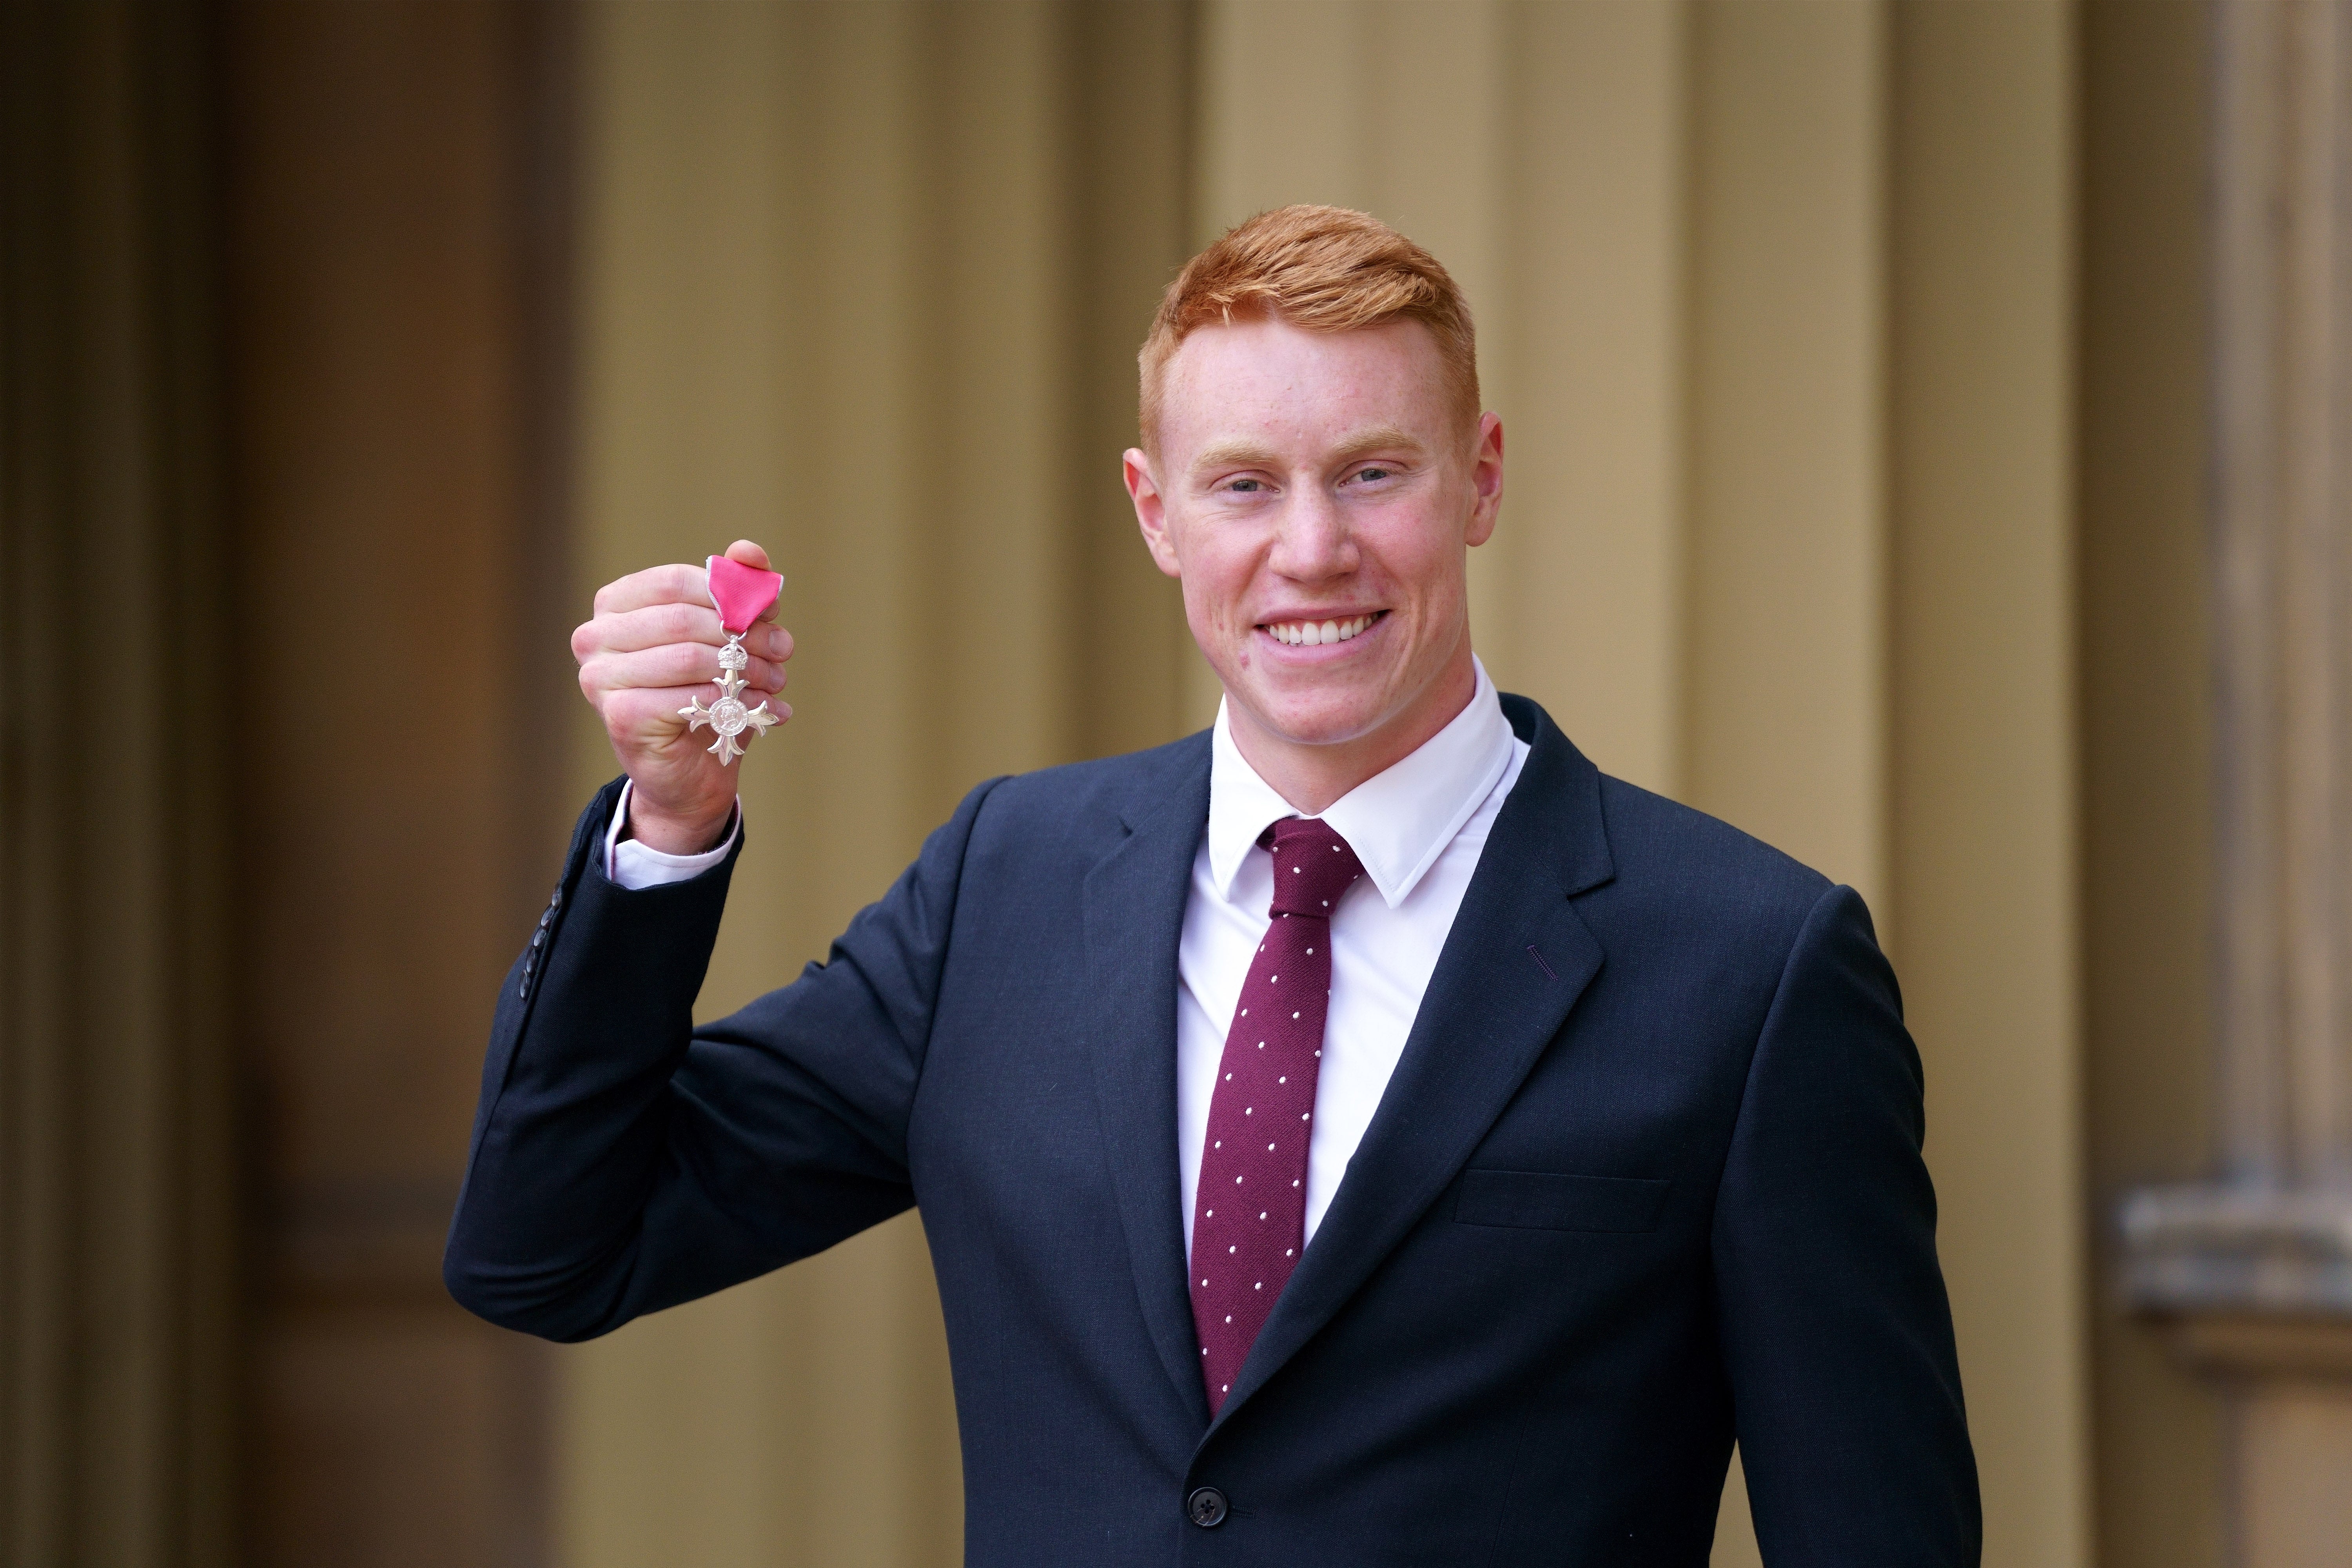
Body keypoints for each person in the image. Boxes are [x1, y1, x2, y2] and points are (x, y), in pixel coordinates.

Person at [446, 205, 1978, 1565]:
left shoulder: (1752, 965)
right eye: (1243, 485)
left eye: (1373, 472)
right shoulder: (1007, 891)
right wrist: (673, 809)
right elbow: (551, 1248)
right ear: (1153, 510)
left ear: (1481, 480)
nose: (1312, 550)